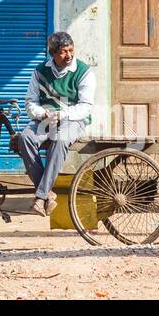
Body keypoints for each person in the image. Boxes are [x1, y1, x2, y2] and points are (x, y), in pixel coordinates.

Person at [16, 31, 94, 216]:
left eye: (71, 50)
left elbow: (85, 106)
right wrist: (42, 113)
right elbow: (30, 102)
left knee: (60, 139)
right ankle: (47, 194)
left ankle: (41, 196)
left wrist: (63, 114)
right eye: (63, 52)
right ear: (52, 54)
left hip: (73, 119)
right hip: (46, 119)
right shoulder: (40, 70)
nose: (69, 55)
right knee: (25, 138)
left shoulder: (83, 72)